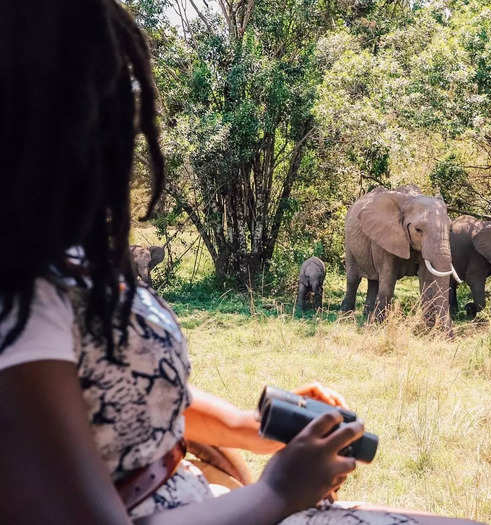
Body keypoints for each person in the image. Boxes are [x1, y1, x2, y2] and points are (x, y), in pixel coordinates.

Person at [0, 2, 364, 524]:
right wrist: (280, 491)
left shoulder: (62, 252)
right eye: (108, 87)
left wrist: (258, 426)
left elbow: (125, 391)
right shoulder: (20, 297)